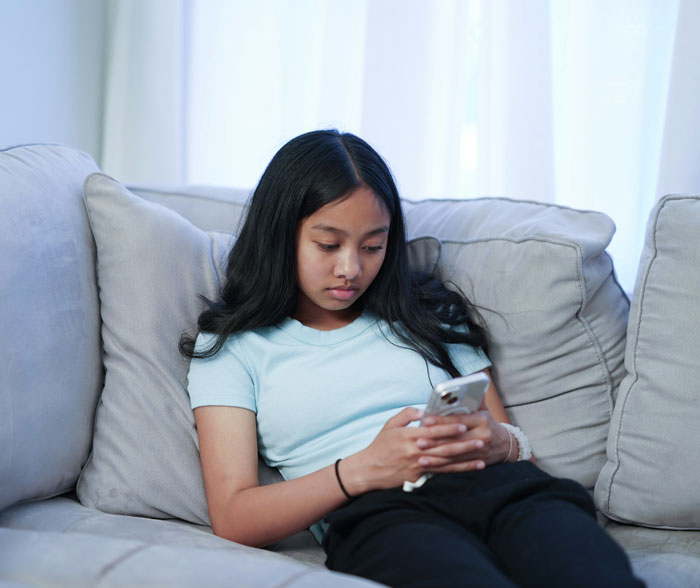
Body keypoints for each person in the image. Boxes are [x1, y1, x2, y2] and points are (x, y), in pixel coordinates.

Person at [181, 130, 643, 588]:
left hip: (504, 491)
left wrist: (500, 442)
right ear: (281, 235)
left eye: (372, 246)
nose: (352, 269)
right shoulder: (233, 346)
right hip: (381, 514)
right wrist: (362, 469)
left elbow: (511, 441)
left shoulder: (428, 313)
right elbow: (234, 516)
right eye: (328, 245)